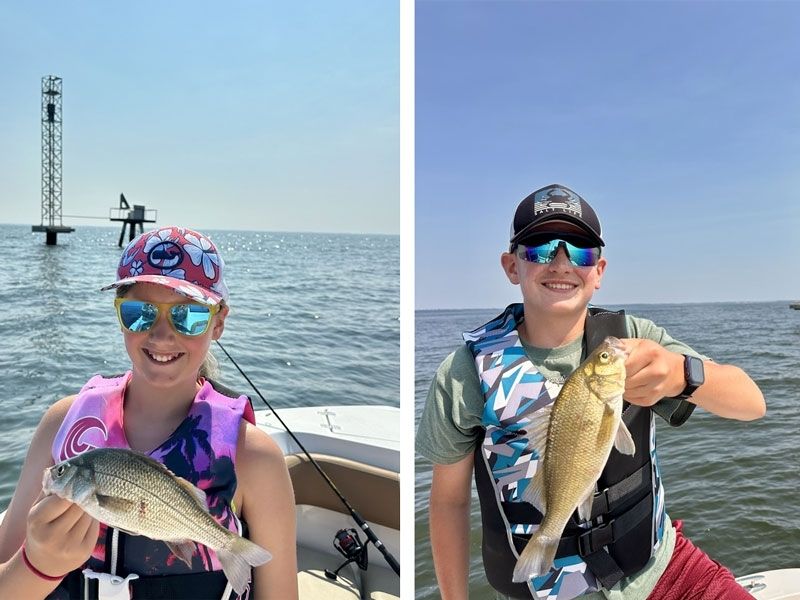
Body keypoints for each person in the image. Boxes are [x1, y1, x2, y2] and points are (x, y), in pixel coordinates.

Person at [416, 184, 765, 600]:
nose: (561, 263)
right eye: (540, 249)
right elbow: (449, 502)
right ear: (512, 266)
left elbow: (752, 404)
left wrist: (679, 374)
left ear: (598, 271)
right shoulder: (463, 375)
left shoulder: (633, 340)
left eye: (580, 251)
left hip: (662, 569)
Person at [0, 226, 298, 600]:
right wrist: (36, 567)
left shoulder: (253, 457)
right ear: (118, 315)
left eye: (189, 316)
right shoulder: (62, 424)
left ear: (218, 321)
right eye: (140, 313)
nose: (161, 334)